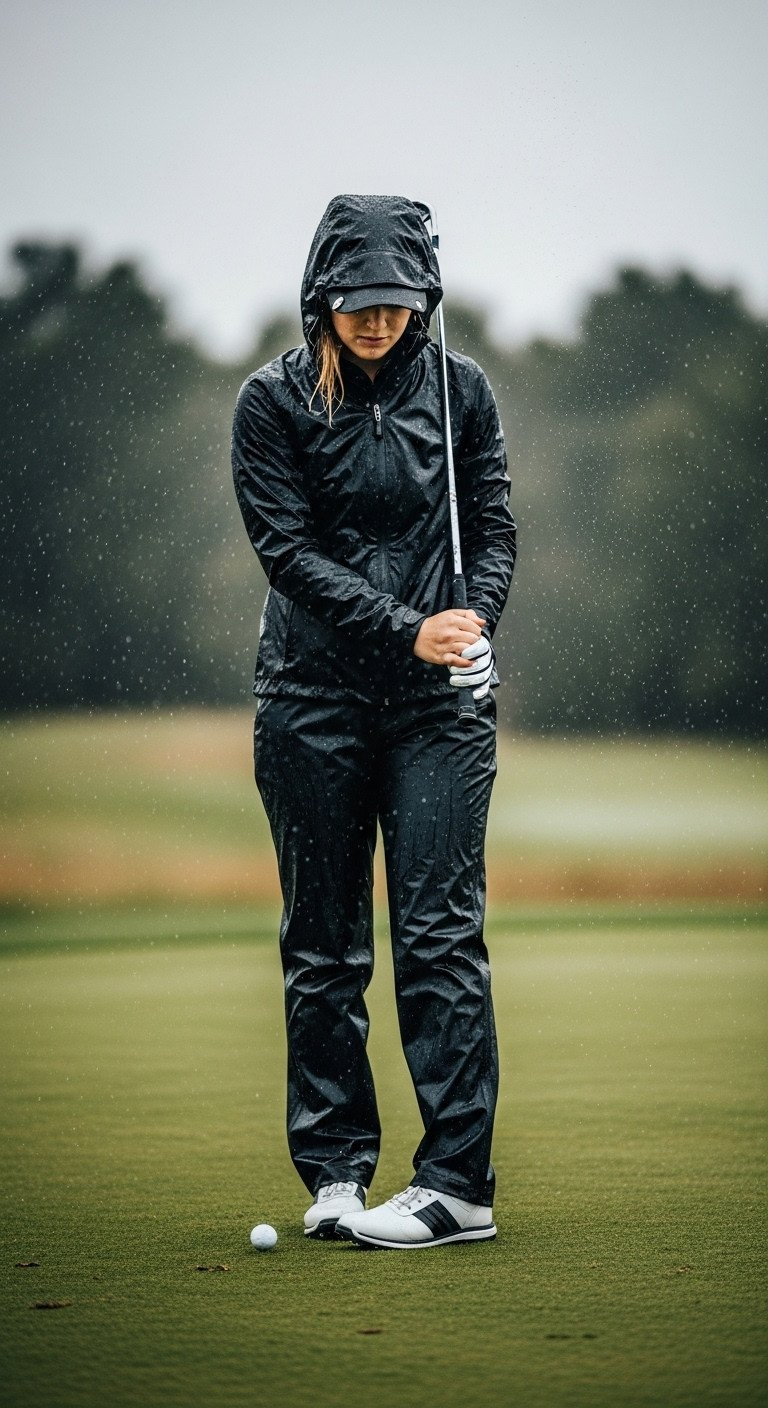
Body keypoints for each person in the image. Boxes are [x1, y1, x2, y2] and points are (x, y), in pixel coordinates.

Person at [231, 193, 517, 1250]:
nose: (377, 322)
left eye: (396, 304)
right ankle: (338, 1170)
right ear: (322, 295)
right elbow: (290, 556)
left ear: (423, 299)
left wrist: (473, 620)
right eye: (357, 304)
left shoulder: (463, 391)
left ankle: (454, 1184)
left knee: (440, 935)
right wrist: (410, 627)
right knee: (325, 946)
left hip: (439, 710)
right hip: (310, 700)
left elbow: (492, 526)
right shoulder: (271, 401)